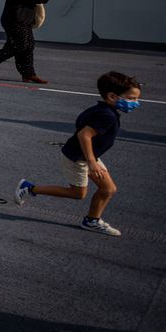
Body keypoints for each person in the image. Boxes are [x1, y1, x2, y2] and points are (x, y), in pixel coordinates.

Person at [15, 71, 140, 236]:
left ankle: (92, 220)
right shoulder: (107, 115)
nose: (135, 103)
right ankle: (30, 188)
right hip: (79, 158)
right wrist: (91, 161)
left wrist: (92, 159)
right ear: (112, 96)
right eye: (131, 98)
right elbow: (84, 135)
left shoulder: (101, 109)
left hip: (87, 156)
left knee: (108, 189)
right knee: (78, 193)